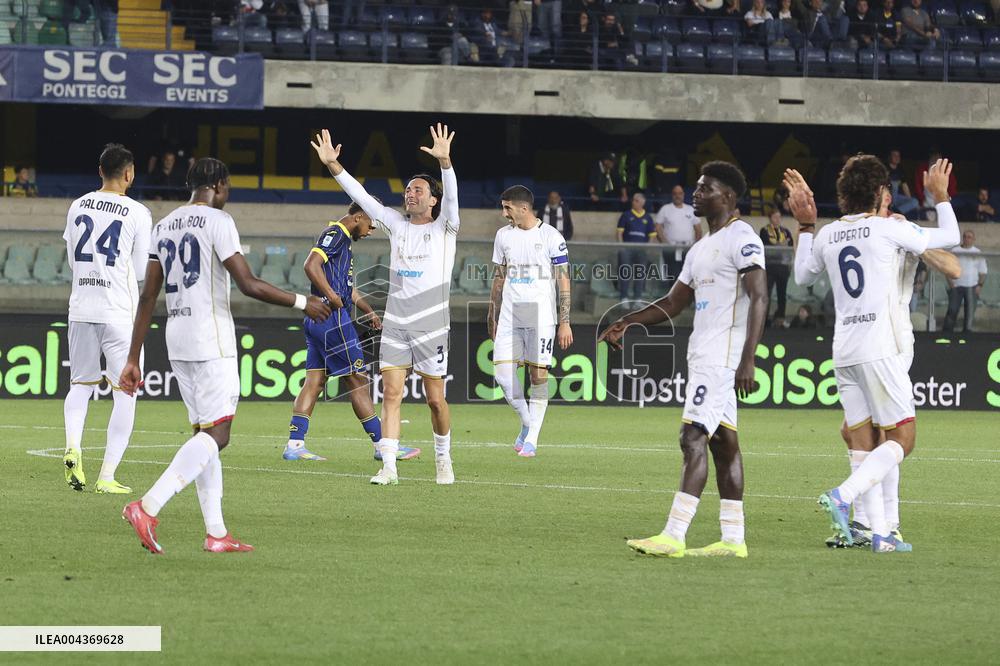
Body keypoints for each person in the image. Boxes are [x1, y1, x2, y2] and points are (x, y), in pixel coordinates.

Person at [118, 158, 331, 554]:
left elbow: (148, 295)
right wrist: (304, 302)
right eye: (228, 186)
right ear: (218, 184)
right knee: (220, 434)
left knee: (205, 435)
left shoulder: (164, 225)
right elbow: (248, 284)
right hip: (209, 338)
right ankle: (147, 506)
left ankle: (216, 533)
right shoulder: (219, 221)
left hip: (177, 337)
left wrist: (133, 357)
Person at [788, 155, 959, 553]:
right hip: (883, 345)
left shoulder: (830, 234)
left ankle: (878, 531)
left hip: (845, 348)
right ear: (882, 193)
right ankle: (845, 497)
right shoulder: (889, 229)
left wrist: (806, 226)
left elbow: (801, 277)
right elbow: (951, 236)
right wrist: (940, 196)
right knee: (902, 436)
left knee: (861, 437)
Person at [600, 161, 768, 559]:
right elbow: (674, 303)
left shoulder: (742, 237)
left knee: (691, 437)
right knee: (724, 445)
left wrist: (748, 359)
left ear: (726, 196)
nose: (695, 193)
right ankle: (732, 539)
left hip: (722, 357)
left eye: (704, 188)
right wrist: (627, 320)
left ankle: (674, 535)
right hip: (705, 354)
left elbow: (760, 296)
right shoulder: (699, 248)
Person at [311, 124, 459, 486]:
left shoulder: (446, 227)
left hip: (432, 326)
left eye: (418, 190)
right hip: (396, 324)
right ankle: (389, 466)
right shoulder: (395, 223)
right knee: (391, 394)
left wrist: (445, 162)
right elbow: (360, 194)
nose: (411, 194)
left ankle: (444, 458)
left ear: (433, 200)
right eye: (408, 189)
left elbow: (452, 195)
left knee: (435, 401)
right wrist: (334, 166)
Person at [281, 202, 420, 463]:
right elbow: (310, 266)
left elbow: (345, 286)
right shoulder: (335, 235)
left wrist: (366, 309)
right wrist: (333, 297)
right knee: (357, 379)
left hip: (317, 318)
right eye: (370, 224)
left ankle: (295, 445)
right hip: (332, 318)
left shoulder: (343, 242)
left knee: (315, 381)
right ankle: (383, 446)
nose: (371, 230)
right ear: (358, 217)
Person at [61, 144, 151, 495]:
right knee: (125, 394)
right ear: (129, 174)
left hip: (81, 308)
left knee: (80, 386)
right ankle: (107, 476)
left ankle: (73, 446)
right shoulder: (138, 212)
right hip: (118, 313)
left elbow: (72, 259)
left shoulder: (77, 205)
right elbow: (143, 269)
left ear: (100, 171)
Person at [488, 185, 573, 458]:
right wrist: (492, 314)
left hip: (541, 317)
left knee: (538, 377)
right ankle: (527, 422)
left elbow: (563, 279)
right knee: (502, 375)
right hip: (510, 316)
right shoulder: (503, 236)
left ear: (523, 208)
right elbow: (499, 277)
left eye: (507, 208)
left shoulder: (551, 236)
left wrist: (565, 321)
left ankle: (532, 438)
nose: (504, 214)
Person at [655, 185, 702, 285]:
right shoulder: (665, 209)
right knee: (672, 274)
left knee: (687, 275)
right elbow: (658, 226)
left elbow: (698, 229)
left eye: (680, 193)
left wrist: (695, 245)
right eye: (675, 193)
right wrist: (665, 242)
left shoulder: (690, 209)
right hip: (671, 248)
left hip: (687, 248)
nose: (678, 196)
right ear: (672, 195)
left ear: (683, 195)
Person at [616, 192, 656, 307]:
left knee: (640, 274)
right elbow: (619, 232)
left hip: (641, 250)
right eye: (633, 200)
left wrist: (647, 248)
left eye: (636, 200)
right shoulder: (626, 215)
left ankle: (637, 299)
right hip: (627, 249)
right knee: (625, 273)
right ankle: (624, 298)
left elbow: (652, 235)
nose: (633, 202)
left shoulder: (648, 218)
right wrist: (621, 246)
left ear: (642, 203)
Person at [943, 230, 988, 333]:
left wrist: (980, 285)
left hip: (972, 286)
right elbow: (947, 268)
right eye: (965, 237)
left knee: (970, 312)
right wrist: (951, 283)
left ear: (973, 239)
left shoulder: (977, 252)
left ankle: (967, 333)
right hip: (956, 286)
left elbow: (983, 271)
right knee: (952, 310)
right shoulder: (955, 251)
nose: (967, 239)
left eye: (969, 237)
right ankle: (946, 333)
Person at [760, 210, 794, 326]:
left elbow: (790, 248)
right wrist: (780, 246)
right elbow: (766, 247)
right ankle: (764, 319)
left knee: (782, 294)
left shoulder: (786, 232)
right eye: (775, 217)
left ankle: (780, 317)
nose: (778, 219)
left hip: (783, 268)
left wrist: (780, 247)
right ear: (770, 218)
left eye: (779, 217)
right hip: (770, 267)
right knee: (767, 293)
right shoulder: (764, 231)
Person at [886, 149, 919, 218]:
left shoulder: (900, 169)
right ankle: (891, 208)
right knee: (894, 184)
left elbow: (904, 185)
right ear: (890, 157)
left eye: (898, 156)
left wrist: (909, 199)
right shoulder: (885, 168)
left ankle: (896, 212)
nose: (897, 158)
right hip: (887, 197)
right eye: (894, 155)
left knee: (914, 201)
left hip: (896, 198)